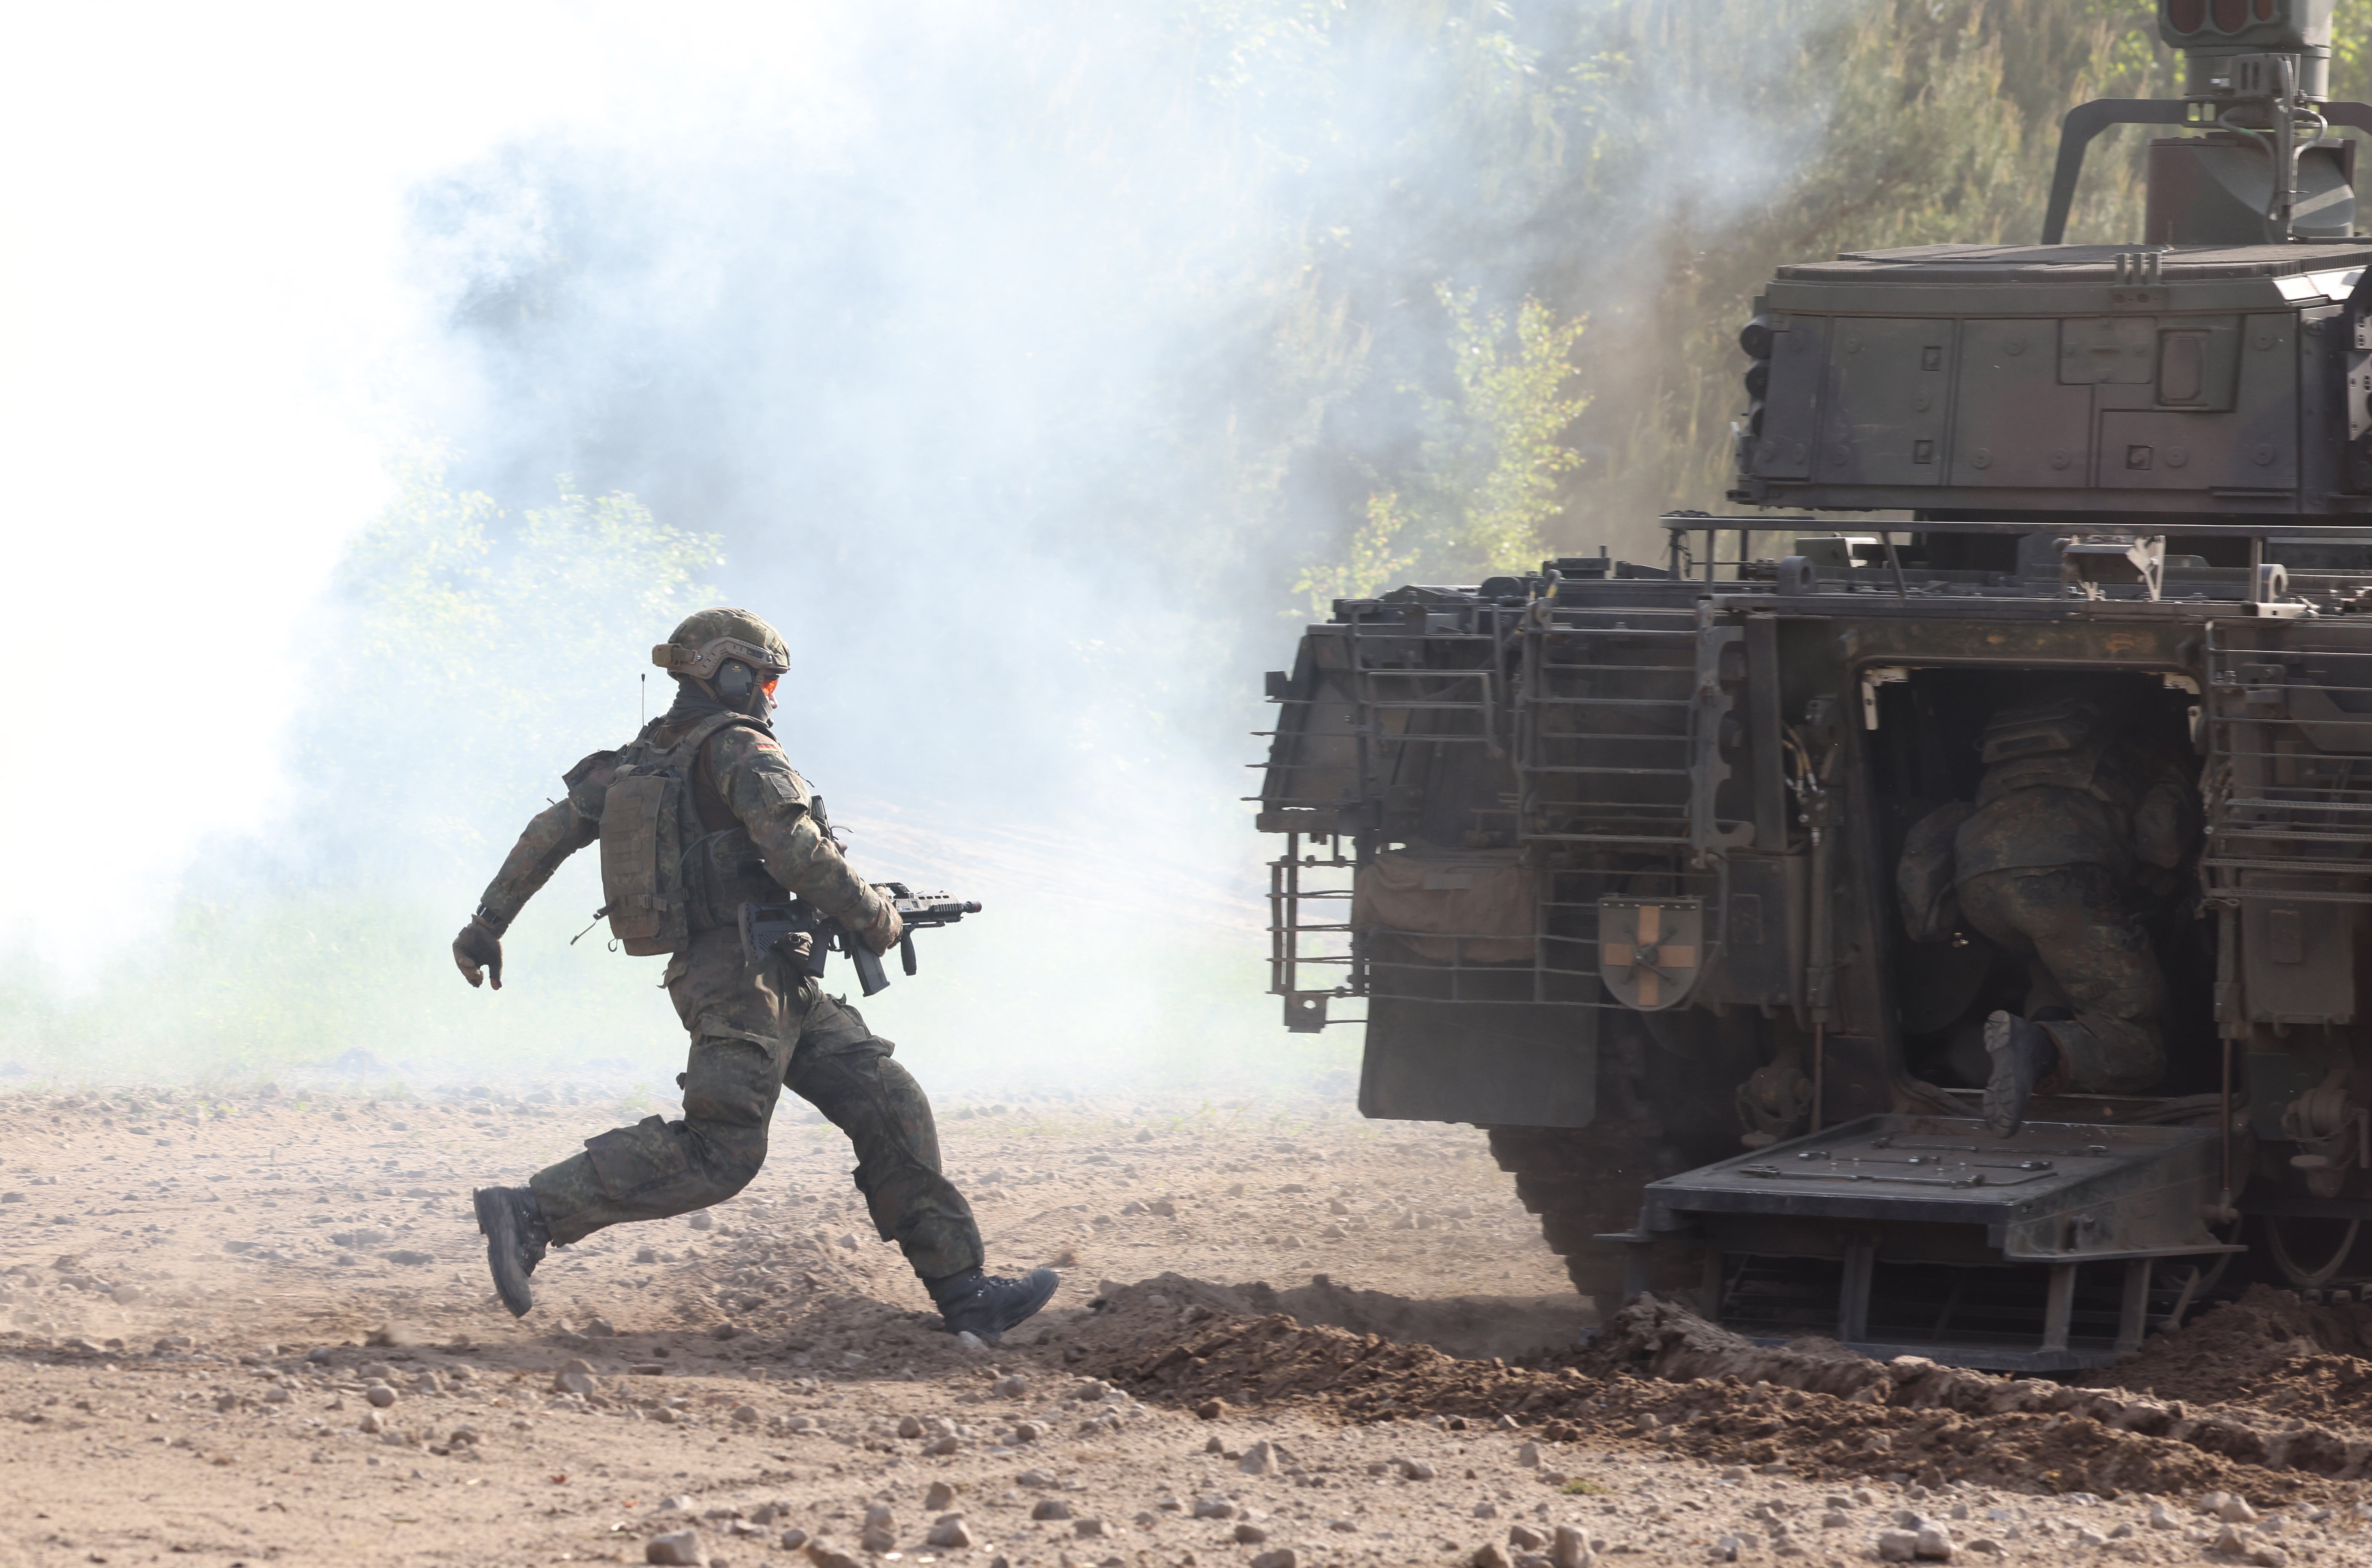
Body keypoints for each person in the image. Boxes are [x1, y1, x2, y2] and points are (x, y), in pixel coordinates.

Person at [451, 607, 1056, 1341]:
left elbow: (546, 834)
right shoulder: (739, 748)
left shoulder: (638, 758)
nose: (772, 694)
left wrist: (487, 925)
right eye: (766, 678)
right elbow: (796, 850)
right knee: (722, 1147)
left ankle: (966, 1296)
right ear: (728, 674)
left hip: (774, 975)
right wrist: (874, 915)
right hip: (740, 981)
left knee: (887, 1098)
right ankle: (531, 1211)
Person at [1919, 689, 2198, 1136]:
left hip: (1977, 885)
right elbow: (2162, 842)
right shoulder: (2149, 748)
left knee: (2055, 965)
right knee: (2134, 1036)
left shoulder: (2017, 751)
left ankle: (2034, 1037)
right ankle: (2042, 1049)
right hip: (2057, 883)